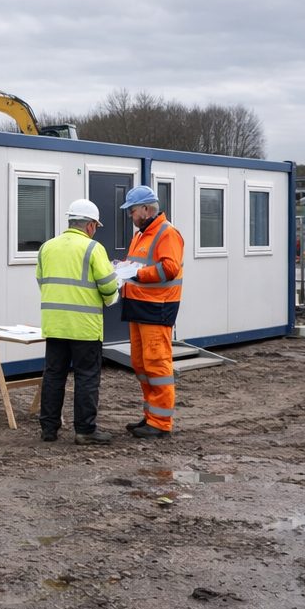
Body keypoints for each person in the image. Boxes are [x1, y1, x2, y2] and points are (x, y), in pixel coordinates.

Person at [35, 198, 120, 445]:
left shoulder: (47, 247)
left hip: (55, 324)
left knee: (53, 375)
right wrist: (112, 296)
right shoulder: (93, 249)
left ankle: (48, 429)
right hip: (84, 326)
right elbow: (108, 285)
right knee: (86, 377)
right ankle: (85, 430)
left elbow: (42, 280)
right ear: (91, 225)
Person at [116, 186, 185, 439]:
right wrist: (123, 269)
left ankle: (161, 422)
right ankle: (151, 416)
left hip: (158, 307)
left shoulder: (167, 233)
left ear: (146, 209)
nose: (130, 216)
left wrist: (135, 273)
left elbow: (169, 268)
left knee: (157, 364)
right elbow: (138, 264)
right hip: (138, 306)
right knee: (141, 363)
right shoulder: (141, 234)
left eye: (132, 211)